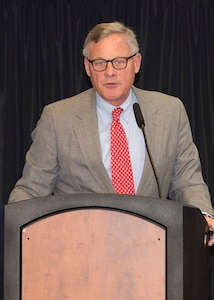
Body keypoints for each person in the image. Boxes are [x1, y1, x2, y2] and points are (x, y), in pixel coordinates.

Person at [8, 21, 214, 245]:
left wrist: (205, 217)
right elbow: (31, 190)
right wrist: (13, 227)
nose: (109, 72)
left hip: (150, 252)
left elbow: (187, 180)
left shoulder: (170, 112)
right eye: (99, 63)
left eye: (119, 62)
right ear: (87, 67)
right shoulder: (58, 118)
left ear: (136, 63)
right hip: (80, 254)